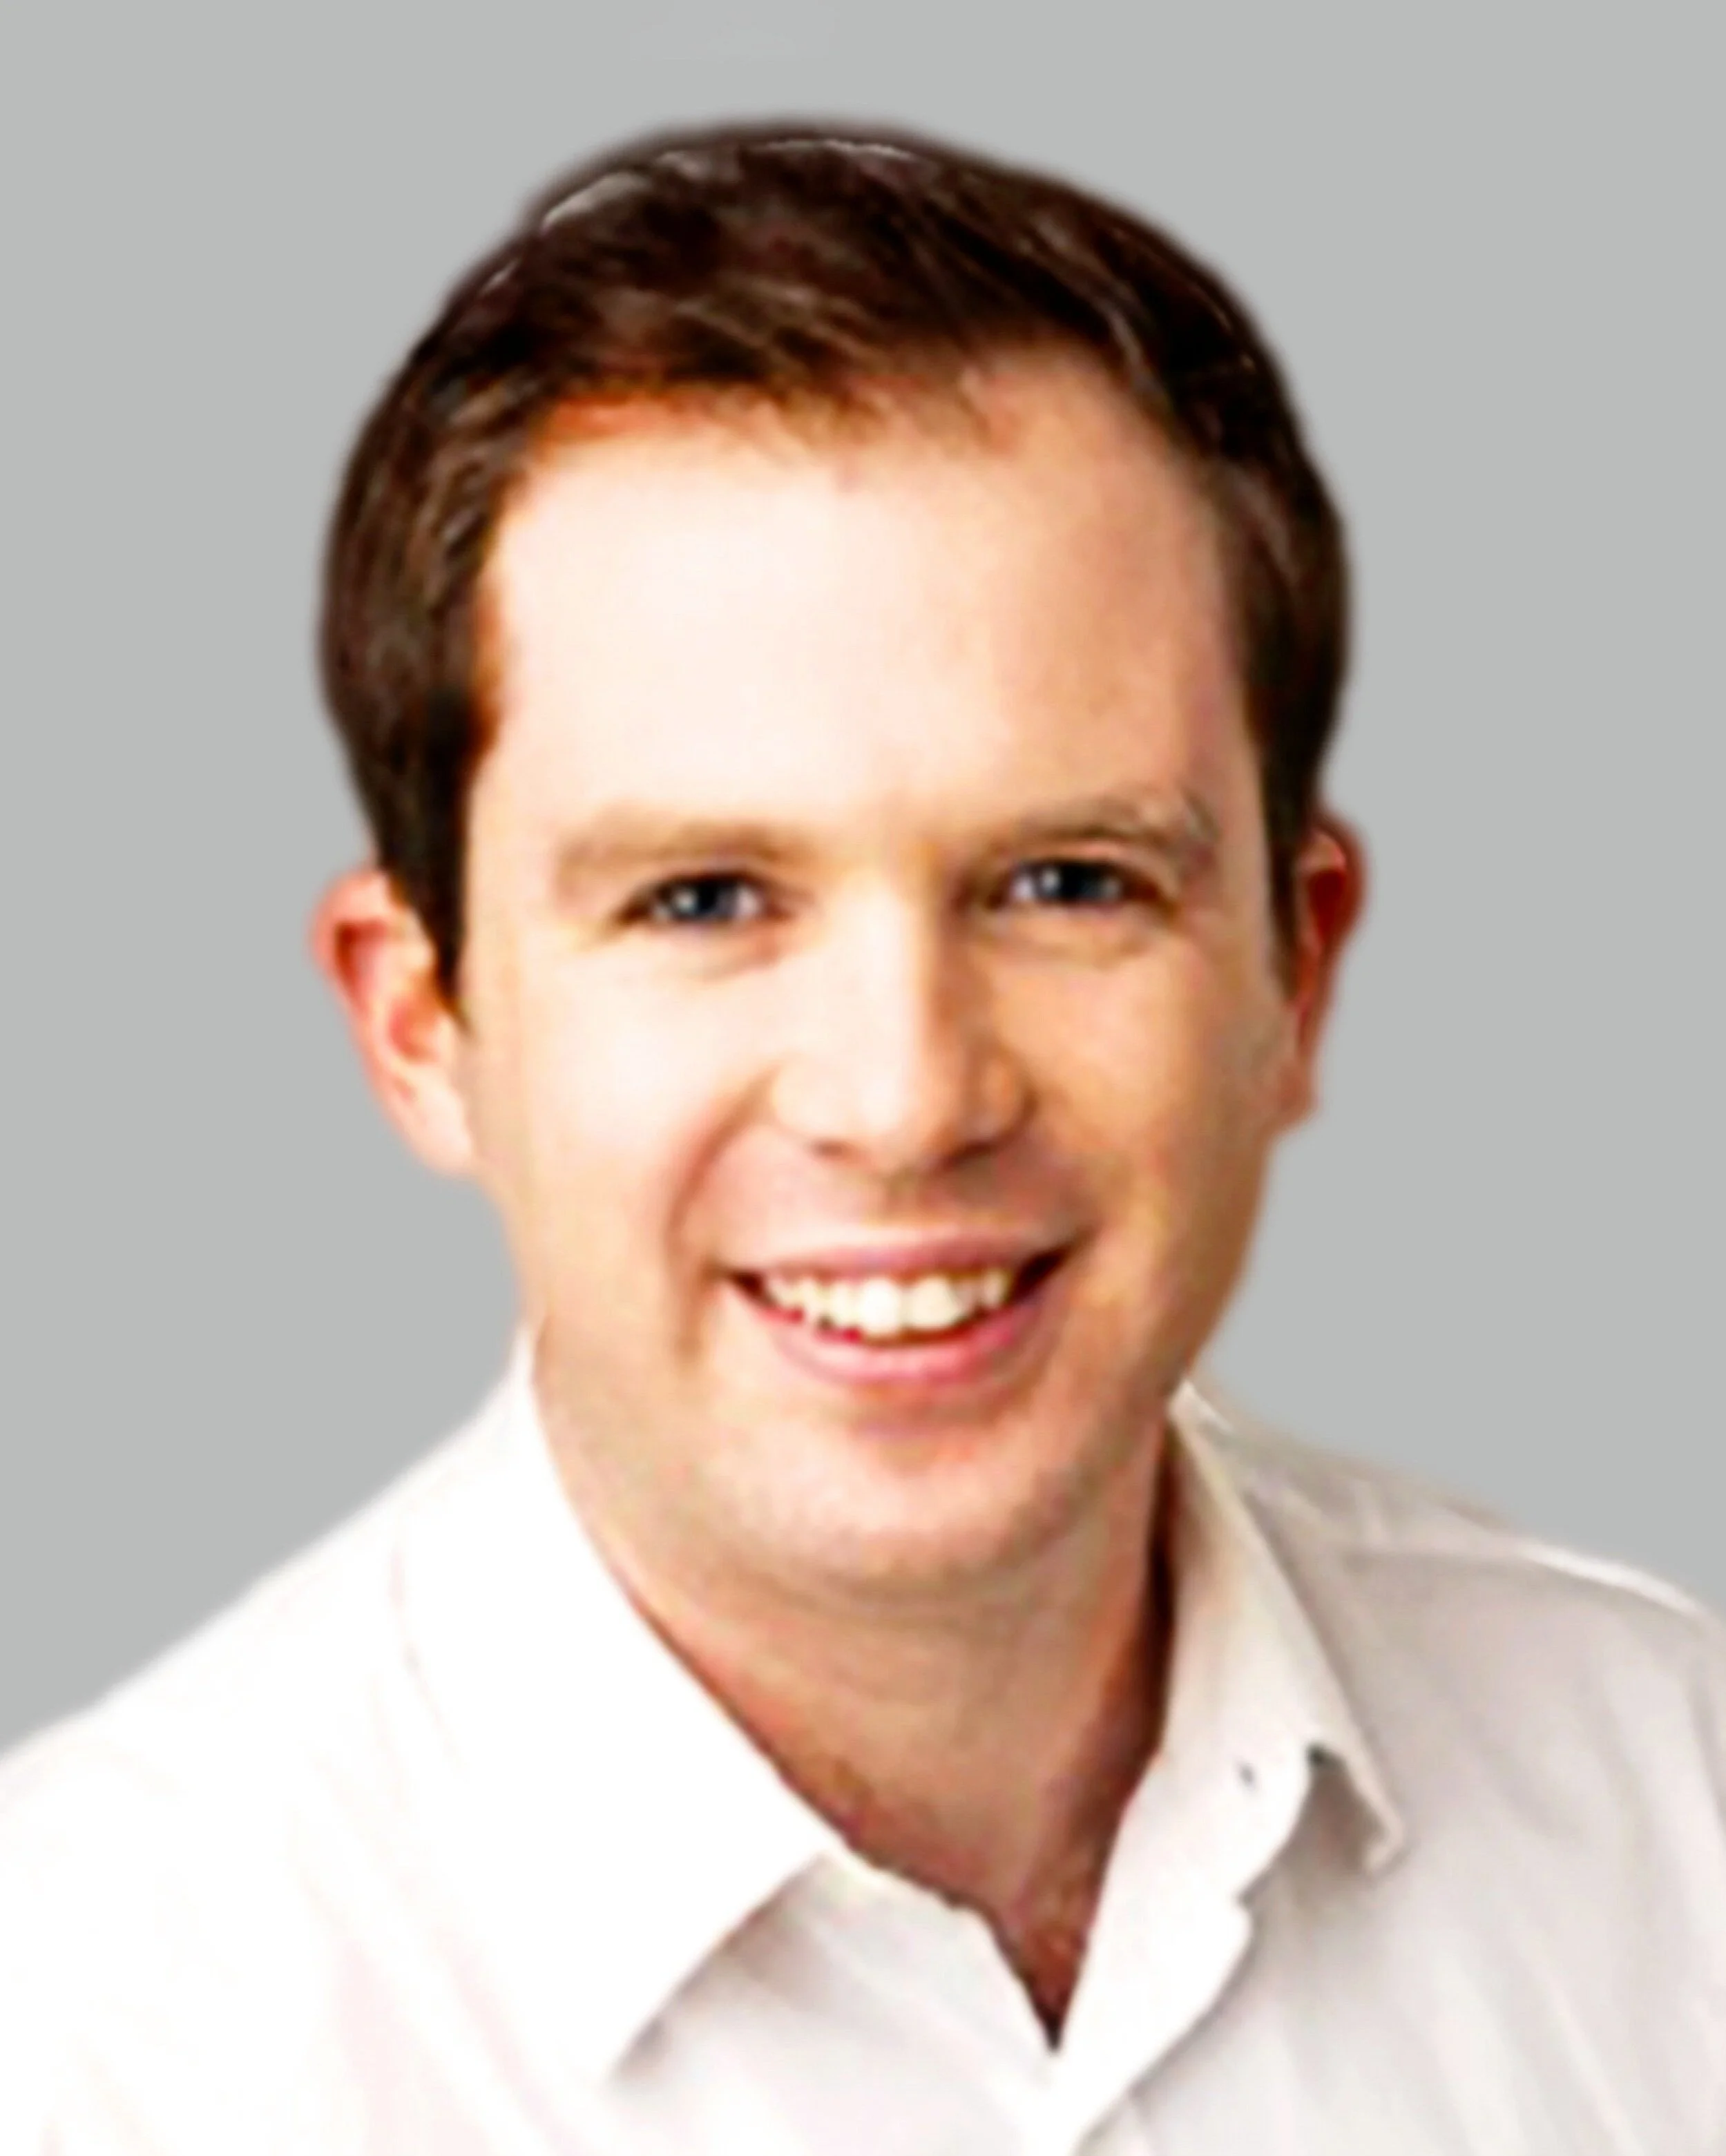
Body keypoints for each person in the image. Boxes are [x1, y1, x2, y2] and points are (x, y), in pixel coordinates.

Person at [1, 121, 1721, 2153]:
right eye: (706, 899)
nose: (907, 1099)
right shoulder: (86, 2033)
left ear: (1296, 974)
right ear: (425, 1022)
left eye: (1069, 883)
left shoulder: (1670, 1812)